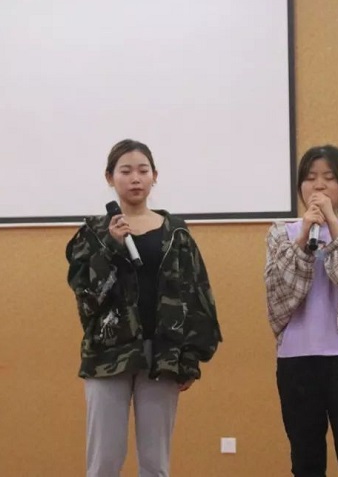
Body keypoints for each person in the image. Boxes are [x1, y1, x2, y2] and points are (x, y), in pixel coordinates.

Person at [66, 139, 222, 477]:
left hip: (162, 354)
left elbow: (196, 292)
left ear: (154, 176)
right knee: (104, 461)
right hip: (108, 354)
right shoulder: (94, 233)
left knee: (155, 462)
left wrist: (190, 357)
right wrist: (111, 247)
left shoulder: (176, 232)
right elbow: (86, 297)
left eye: (143, 170)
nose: (135, 178)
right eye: (125, 171)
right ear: (110, 177)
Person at [264, 144, 338, 477]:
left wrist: (332, 223)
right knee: (305, 462)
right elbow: (278, 297)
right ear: (300, 186)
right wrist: (304, 235)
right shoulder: (281, 233)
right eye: (311, 178)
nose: (319, 185)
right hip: (297, 361)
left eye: (329, 178)